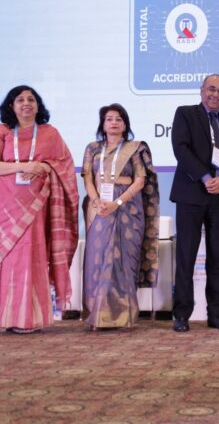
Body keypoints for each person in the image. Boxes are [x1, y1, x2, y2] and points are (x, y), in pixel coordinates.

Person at [0, 85, 78, 333]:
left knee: (32, 257)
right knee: (8, 258)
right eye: (20, 99)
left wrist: (46, 167)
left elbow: (65, 164)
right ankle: (5, 317)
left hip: (36, 206)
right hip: (6, 207)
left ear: (38, 105)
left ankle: (29, 318)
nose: (26, 103)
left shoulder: (49, 133)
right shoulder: (3, 132)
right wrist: (25, 166)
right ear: (11, 106)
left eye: (31, 99)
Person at [170, 74, 219, 331]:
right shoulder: (185, 114)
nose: (216, 95)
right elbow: (181, 149)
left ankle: (217, 314)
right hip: (191, 194)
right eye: (212, 89)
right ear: (202, 90)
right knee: (186, 256)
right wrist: (206, 177)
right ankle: (181, 315)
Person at [81, 104, 159, 330]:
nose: (113, 123)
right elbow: (87, 178)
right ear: (103, 124)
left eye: (118, 119)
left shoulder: (135, 148)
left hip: (128, 209)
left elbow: (140, 181)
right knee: (98, 260)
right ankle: (98, 316)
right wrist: (97, 202)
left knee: (123, 262)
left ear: (125, 124)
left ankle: (123, 317)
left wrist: (117, 203)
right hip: (99, 209)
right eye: (109, 119)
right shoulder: (93, 148)